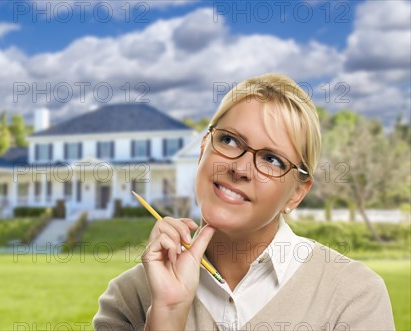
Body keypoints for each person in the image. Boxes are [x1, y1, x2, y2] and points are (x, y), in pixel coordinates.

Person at [93, 73, 395, 330]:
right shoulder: (129, 298)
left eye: (272, 159)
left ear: (297, 193)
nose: (239, 168)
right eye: (229, 140)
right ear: (202, 150)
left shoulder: (354, 297)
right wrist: (168, 315)